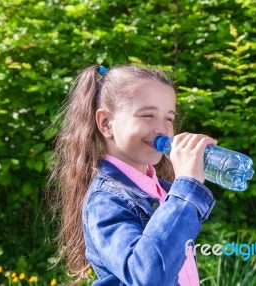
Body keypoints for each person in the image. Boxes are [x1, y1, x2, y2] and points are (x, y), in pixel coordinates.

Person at [49, 64, 218, 285]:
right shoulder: (106, 201)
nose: (162, 128)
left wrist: (182, 191)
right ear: (106, 123)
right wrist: (187, 189)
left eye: (169, 118)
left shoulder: (163, 191)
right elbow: (148, 276)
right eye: (148, 115)